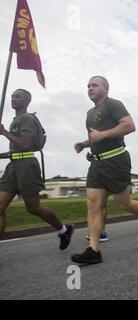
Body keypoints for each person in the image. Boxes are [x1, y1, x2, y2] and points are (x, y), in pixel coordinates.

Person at [71, 76, 138, 265]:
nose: (90, 88)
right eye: (88, 86)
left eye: (94, 85)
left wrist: (102, 135)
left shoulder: (113, 104)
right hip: (96, 164)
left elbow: (130, 125)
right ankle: (94, 250)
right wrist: (85, 143)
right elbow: (96, 137)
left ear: (106, 88)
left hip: (116, 160)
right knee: (93, 205)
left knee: (124, 203)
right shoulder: (89, 113)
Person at [0, 89, 74, 248]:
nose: (13, 99)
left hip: (27, 166)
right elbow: (16, 150)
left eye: (17, 96)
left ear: (27, 100)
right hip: (13, 166)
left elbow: (26, 145)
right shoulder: (16, 119)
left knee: (33, 208)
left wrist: (4, 132)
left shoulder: (27, 119)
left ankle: (63, 229)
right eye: (12, 96)